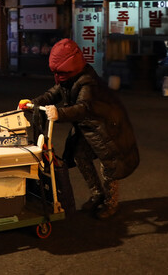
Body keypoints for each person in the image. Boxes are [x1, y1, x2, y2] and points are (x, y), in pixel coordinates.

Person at [19, 38, 139, 219]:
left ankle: (110, 203)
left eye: (60, 71)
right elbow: (54, 93)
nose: (58, 75)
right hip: (88, 126)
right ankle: (97, 194)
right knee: (80, 155)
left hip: (106, 127)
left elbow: (84, 107)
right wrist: (33, 103)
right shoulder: (67, 78)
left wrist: (59, 113)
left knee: (109, 166)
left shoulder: (87, 81)